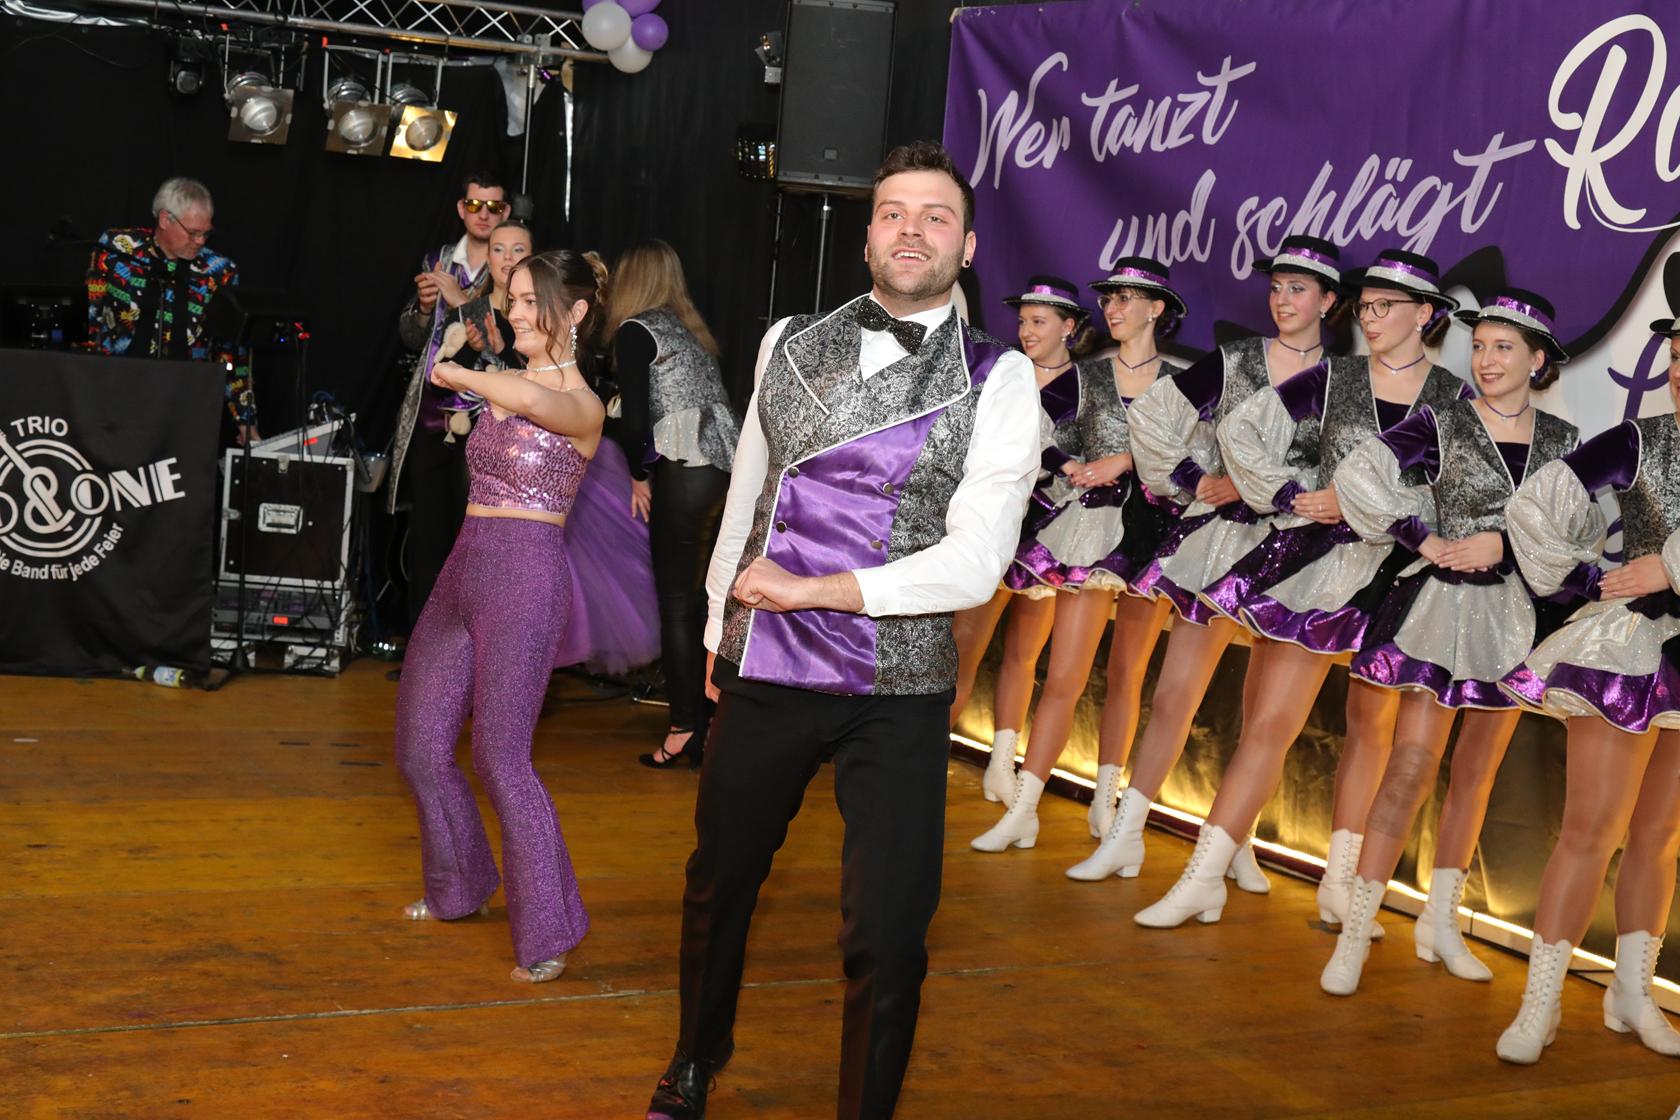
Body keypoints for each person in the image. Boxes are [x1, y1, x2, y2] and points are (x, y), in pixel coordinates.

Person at [644, 141, 1039, 1120]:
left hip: (895, 686)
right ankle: (695, 1056)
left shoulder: (1001, 377)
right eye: (894, 212)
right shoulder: (788, 340)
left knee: (890, 931)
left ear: (968, 246)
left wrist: (815, 590)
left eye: (936, 217)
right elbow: (747, 499)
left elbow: (976, 564)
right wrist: (717, 628)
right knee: (720, 880)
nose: (912, 230)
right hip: (765, 662)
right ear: (867, 236)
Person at [1134, 249, 1469, 931]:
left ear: (1425, 315)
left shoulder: (1453, 398)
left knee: (1373, 731)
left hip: (1405, 571)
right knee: (1271, 725)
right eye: (1366, 306)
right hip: (1323, 567)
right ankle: (1203, 877)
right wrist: (1289, 493)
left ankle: (1341, 886)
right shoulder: (1333, 377)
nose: (1371, 318)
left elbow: (1459, 494)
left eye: (1386, 307)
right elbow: (1242, 430)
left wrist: (1379, 509)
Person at [1317, 289, 1578, 996]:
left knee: (1476, 776)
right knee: (1409, 766)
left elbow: (1573, 538)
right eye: (1479, 345)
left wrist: (1507, 545)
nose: (1486, 360)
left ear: (1538, 360)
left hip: (1516, 620)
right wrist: (1423, 539)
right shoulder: (1444, 422)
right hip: (1439, 612)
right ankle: (1356, 931)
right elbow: (1360, 473)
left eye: (1503, 347)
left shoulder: (1564, 442)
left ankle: (1441, 923)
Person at [1069, 236, 1343, 885]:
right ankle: (1127, 835)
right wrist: (1197, 478)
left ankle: (1235, 843)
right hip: (1220, 541)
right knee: (1174, 695)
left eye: (1298, 289)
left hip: (1294, 550)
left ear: (1329, 302)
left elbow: (1349, 471)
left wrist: (1279, 491)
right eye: (1276, 287)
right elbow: (1153, 420)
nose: (1283, 300)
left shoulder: (1345, 382)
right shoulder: (1235, 360)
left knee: (1264, 716)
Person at [393, 249, 607, 985]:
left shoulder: (583, 405)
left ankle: (550, 930)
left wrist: (459, 372)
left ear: (574, 313)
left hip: (525, 576)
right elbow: (509, 394)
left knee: (500, 757)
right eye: (511, 300)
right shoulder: (508, 382)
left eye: (528, 301)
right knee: (420, 748)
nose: (514, 312)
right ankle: (460, 885)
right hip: (464, 568)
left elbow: (536, 403)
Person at [1493, 315, 1680, 1064]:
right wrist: (1586, 580)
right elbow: (1534, 507)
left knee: (1661, 838)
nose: (1679, 371)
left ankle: (1632, 993)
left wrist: (1671, 567)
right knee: (1590, 831)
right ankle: (1539, 1004)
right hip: (1627, 649)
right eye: (1676, 356)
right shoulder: (1640, 440)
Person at [970, 259, 1182, 852]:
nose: (1114, 309)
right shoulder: (1085, 377)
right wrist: (1070, 464)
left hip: (1156, 537)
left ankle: (1106, 804)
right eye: (1109, 299)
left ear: (1156, 309)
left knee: (1129, 675)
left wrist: (1128, 459)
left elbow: (1195, 455)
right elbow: (1035, 432)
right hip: (1091, 534)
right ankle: (1026, 807)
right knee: (1064, 673)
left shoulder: (1181, 382)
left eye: (1126, 299)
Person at [949, 276, 1097, 805]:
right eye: (1022, 321)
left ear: (1069, 327)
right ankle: (927, 749)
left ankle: (1001, 763)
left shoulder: (1089, 387)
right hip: (992, 526)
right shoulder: (1001, 372)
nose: (1027, 331)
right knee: (963, 647)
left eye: (1039, 322)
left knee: (1023, 655)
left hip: (1046, 535)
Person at [602, 239, 742, 768]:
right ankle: (710, 720)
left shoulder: (636, 330)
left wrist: (639, 474)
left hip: (683, 472)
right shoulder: (689, 331)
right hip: (723, 470)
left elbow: (637, 422)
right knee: (706, 600)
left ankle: (685, 728)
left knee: (679, 605)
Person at [390, 171, 511, 632]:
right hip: (431, 415)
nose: (484, 215)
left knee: (476, 537)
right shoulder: (439, 260)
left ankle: (470, 646)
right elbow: (411, 338)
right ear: (461, 208)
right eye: (475, 205)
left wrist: (461, 302)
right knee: (427, 535)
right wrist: (423, 310)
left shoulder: (513, 264)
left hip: (488, 416)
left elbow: (511, 344)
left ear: (506, 213)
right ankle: (423, 646)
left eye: (494, 207)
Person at [86, 176, 256, 443]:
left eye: (206, 233)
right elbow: (92, 317)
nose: (200, 241)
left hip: (185, 407)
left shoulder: (220, 271)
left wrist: (245, 419)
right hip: (113, 397)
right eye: (193, 232)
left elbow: (231, 352)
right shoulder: (116, 247)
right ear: (165, 219)